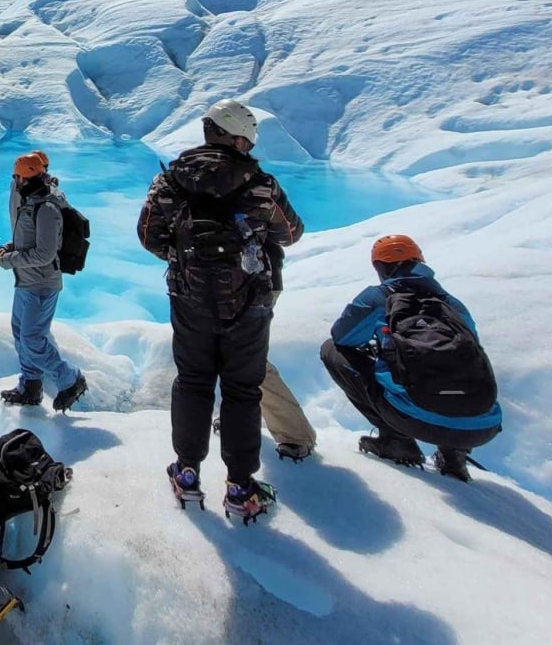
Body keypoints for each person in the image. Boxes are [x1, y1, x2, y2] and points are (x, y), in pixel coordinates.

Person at [138, 99, 304, 522]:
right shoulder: (260, 183)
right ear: (239, 137)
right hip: (249, 302)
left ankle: (187, 474)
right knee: (242, 390)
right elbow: (291, 232)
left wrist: (185, 258)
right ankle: (240, 487)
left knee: (193, 382)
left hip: (189, 298)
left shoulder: (171, 181)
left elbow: (149, 235)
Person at [321, 234, 503, 481]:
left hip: (414, 419)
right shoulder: (451, 304)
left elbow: (343, 338)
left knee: (331, 350)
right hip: (481, 424)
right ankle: (454, 456)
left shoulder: (380, 297)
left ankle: (396, 441)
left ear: (380, 267)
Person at [0, 150, 87, 413]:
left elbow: (45, 253)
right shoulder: (31, 200)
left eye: (18, 177)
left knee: (33, 338)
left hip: (42, 283)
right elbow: (30, 240)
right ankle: (30, 386)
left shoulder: (46, 208)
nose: (16, 182)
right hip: (26, 281)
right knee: (20, 334)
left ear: (28, 177)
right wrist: (11, 246)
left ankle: (71, 380)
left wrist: (10, 259)